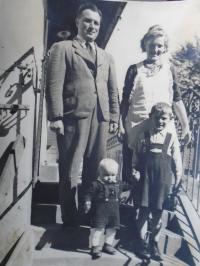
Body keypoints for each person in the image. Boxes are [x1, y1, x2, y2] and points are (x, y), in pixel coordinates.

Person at [46, 2, 119, 227]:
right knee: (69, 169)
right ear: (77, 21)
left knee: (95, 168)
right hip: (72, 116)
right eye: (87, 20)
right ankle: (70, 218)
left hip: (100, 118)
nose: (92, 26)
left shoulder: (107, 56)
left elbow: (112, 89)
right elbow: (54, 84)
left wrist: (114, 117)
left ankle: (90, 216)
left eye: (96, 22)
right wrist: (56, 116)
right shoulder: (63, 48)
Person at [120, 25, 190, 183]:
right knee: (134, 171)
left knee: (159, 172)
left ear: (165, 48)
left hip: (162, 127)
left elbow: (177, 99)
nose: (155, 49)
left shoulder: (169, 69)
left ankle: (159, 203)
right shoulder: (134, 70)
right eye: (151, 45)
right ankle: (131, 203)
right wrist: (120, 124)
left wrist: (185, 125)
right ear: (145, 45)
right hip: (137, 126)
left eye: (160, 45)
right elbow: (125, 101)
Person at [131, 102, 182, 261]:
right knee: (144, 212)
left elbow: (177, 160)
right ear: (151, 118)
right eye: (157, 118)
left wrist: (178, 178)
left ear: (169, 120)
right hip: (145, 180)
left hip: (162, 181)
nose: (160, 121)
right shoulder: (143, 136)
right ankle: (142, 244)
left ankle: (154, 243)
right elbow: (135, 157)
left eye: (164, 119)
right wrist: (134, 170)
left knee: (158, 214)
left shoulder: (171, 137)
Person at [84, 158, 130, 259]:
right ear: (99, 173)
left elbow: (128, 186)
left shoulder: (118, 183)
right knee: (98, 229)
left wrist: (135, 179)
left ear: (116, 174)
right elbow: (89, 194)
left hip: (113, 213)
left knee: (112, 229)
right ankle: (95, 246)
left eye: (113, 175)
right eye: (106, 175)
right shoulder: (96, 184)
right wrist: (88, 201)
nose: (110, 178)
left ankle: (108, 245)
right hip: (100, 213)